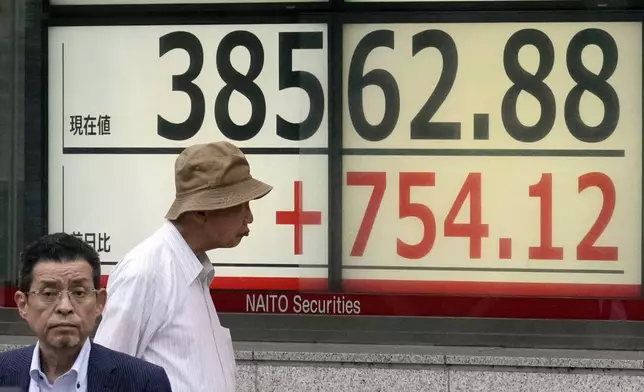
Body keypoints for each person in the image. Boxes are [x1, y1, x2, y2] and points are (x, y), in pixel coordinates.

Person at [93, 141, 273, 392]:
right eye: (240, 204)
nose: (249, 217)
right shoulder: (145, 271)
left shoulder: (193, 270)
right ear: (201, 211)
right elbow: (105, 376)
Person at [0, 232, 173, 392]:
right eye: (49, 293)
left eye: (79, 293)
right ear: (23, 305)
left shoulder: (143, 382)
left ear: (99, 303)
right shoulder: (4, 372)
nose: (65, 307)